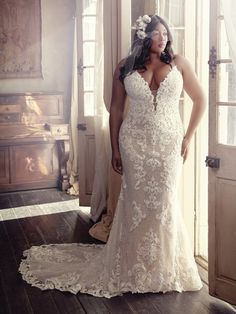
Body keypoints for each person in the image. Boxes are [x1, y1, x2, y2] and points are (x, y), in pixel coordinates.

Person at [19, 14, 206, 298]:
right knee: (136, 201)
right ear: (144, 37)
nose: (163, 38)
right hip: (135, 143)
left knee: (164, 201)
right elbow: (116, 110)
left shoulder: (179, 63)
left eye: (165, 33)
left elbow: (201, 99)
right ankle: (132, 265)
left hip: (168, 144)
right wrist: (116, 148)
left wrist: (188, 136)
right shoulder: (125, 67)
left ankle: (163, 266)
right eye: (157, 34)